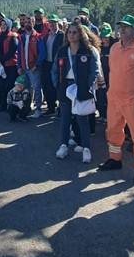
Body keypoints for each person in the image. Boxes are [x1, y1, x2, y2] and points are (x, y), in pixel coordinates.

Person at [98, 15, 134, 185]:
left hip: (133, 100)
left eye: (127, 27)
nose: (122, 29)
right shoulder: (115, 48)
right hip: (114, 98)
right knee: (114, 130)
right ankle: (115, 159)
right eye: (121, 26)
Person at [54, 22, 100, 164]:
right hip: (65, 87)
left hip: (81, 87)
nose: (71, 35)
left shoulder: (88, 50)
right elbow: (54, 70)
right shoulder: (62, 51)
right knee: (65, 118)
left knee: (82, 119)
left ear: (80, 34)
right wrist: (57, 84)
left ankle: (86, 148)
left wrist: (86, 86)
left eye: (75, 32)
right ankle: (63, 145)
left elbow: (95, 70)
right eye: (69, 32)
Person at [17, 16, 45, 118]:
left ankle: (38, 109)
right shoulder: (22, 37)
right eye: (27, 22)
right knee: (27, 90)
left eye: (30, 22)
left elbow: (42, 54)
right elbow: (19, 53)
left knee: (37, 88)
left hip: (34, 68)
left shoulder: (38, 37)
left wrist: (36, 65)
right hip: (24, 68)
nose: (28, 23)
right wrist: (19, 66)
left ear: (34, 23)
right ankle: (28, 107)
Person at [0, 18, 19, 112]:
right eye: (2, 24)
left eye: (5, 24)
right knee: (1, 86)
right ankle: (2, 104)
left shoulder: (13, 37)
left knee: (9, 86)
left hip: (10, 66)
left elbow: (12, 52)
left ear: (9, 25)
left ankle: (10, 105)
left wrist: (1, 60)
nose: (3, 26)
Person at [41, 14, 63, 115]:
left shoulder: (62, 35)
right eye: (51, 23)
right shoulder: (46, 37)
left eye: (54, 23)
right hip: (47, 64)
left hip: (58, 65)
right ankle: (51, 107)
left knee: (57, 86)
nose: (52, 25)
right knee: (47, 86)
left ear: (57, 23)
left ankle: (60, 108)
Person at [97, 25, 114, 120]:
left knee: (110, 97)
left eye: (107, 37)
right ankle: (102, 114)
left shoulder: (115, 46)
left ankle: (110, 115)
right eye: (103, 37)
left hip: (112, 76)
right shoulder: (99, 47)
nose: (105, 39)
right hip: (102, 75)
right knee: (101, 95)